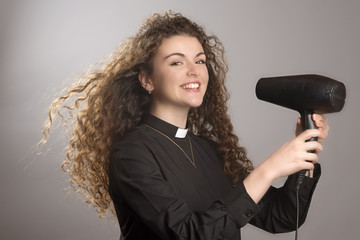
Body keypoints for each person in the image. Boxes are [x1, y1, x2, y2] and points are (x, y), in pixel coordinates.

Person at [42, 11, 329, 239]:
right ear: (147, 79)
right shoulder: (131, 155)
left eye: (200, 60)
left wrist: (305, 154)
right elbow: (190, 234)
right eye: (176, 63)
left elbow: (281, 217)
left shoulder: (212, 152)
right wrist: (268, 171)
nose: (194, 71)